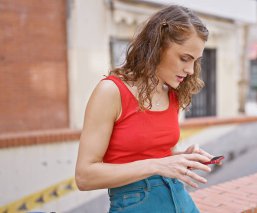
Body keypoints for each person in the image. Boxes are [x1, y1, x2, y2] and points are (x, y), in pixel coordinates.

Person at [75, 5, 221, 213]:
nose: (190, 71)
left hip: (180, 200)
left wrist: (180, 159)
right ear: (158, 46)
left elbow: (155, 155)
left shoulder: (172, 92)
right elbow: (84, 176)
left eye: (195, 61)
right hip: (135, 204)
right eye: (185, 58)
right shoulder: (111, 91)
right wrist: (157, 165)